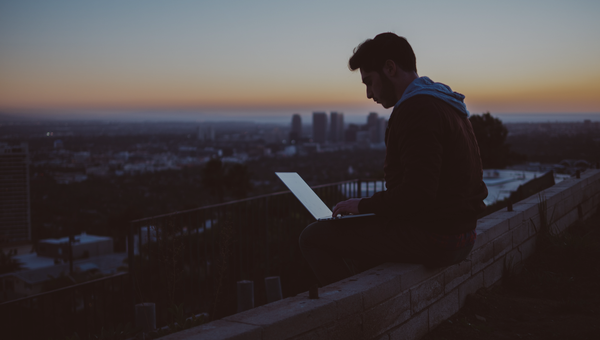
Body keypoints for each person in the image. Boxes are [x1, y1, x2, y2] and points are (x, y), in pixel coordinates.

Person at [299, 33, 488, 287]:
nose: (368, 94)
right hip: (461, 233)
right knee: (361, 234)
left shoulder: (416, 109)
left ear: (390, 68)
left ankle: (353, 310)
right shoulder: (445, 102)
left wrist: (363, 205)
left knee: (313, 237)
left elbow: (418, 193)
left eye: (369, 82)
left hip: (439, 238)